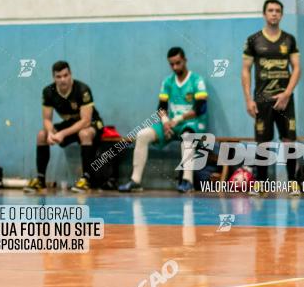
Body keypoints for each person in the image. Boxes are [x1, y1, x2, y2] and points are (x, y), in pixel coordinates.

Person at [119, 47, 208, 193]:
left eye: (178, 63)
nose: (175, 67)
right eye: (171, 64)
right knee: (142, 135)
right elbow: (161, 107)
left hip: (192, 123)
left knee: (187, 138)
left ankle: (187, 181)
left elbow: (201, 109)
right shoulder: (167, 82)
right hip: (171, 124)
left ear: (185, 61)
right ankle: (135, 181)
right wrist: (166, 121)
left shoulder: (197, 81)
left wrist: (178, 119)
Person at [241, 0, 302, 196]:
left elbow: (297, 68)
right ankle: (260, 184)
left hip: (284, 100)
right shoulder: (253, 40)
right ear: (264, 14)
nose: (274, 13)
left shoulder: (289, 39)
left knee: (288, 141)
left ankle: (293, 183)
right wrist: (248, 99)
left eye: (277, 11)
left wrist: (287, 93)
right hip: (262, 100)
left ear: (282, 15)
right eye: (270, 10)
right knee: (263, 143)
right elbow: (245, 70)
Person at [25, 61, 104, 193]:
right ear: (53, 78)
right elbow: (46, 119)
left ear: (70, 74)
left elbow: (85, 121)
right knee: (41, 135)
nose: (63, 79)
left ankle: (86, 179)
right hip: (70, 124)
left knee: (84, 134)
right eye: (59, 77)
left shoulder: (82, 90)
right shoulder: (48, 92)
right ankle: (40, 180)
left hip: (92, 123)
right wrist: (50, 132)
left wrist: (62, 134)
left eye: (65, 75)